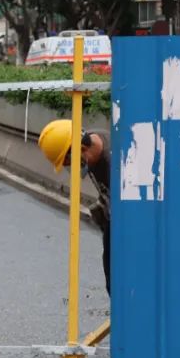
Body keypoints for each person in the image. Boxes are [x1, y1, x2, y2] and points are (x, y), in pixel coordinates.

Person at [38, 119, 111, 295]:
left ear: (82, 149)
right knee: (111, 270)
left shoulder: (116, 163)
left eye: (70, 162)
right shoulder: (91, 140)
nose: (73, 168)